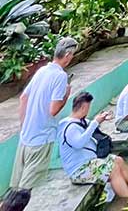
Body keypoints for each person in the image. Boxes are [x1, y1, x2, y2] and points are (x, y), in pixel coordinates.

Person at [10, 37, 76, 193]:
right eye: (72, 54)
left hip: (27, 136)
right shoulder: (60, 76)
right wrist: (66, 95)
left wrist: (24, 126)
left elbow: (23, 98)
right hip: (42, 138)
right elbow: (53, 110)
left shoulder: (42, 71)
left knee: (16, 187)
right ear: (67, 55)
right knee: (24, 192)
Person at [58, 92, 128, 199]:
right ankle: (127, 198)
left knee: (118, 160)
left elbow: (90, 124)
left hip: (90, 162)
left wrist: (102, 118)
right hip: (79, 170)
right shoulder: (69, 128)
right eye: (88, 107)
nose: (88, 110)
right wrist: (95, 123)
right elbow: (79, 143)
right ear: (83, 107)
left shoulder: (79, 121)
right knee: (113, 169)